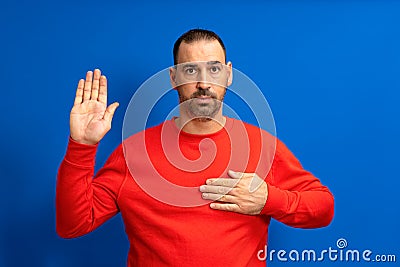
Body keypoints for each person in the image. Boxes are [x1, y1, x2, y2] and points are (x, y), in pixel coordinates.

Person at [56, 29, 334, 266]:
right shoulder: (133, 152)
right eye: (191, 70)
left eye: (213, 69)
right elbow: (74, 224)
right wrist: (82, 145)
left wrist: (268, 200)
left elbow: (323, 208)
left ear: (228, 75)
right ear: (173, 77)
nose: (203, 84)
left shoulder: (260, 146)